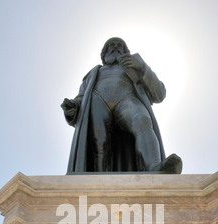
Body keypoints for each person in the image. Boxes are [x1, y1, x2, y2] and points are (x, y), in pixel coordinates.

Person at [61, 37, 182, 174]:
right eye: (111, 45)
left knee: (142, 121)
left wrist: (143, 68)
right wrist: (72, 108)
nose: (116, 47)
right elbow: (82, 98)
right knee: (99, 139)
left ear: (126, 51)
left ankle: (154, 166)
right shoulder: (94, 73)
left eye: (120, 45)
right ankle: (99, 177)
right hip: (98, 99)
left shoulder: (135, 68)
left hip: (127, 99)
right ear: (104, 53)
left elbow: (159, 94)